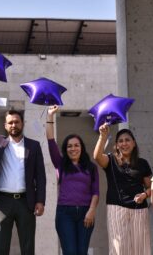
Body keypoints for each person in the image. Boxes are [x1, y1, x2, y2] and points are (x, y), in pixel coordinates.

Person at [0, 97, 46, 255]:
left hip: (26, 202)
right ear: (5, 126)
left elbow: (40, 176)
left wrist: (40, 201)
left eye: (17, 122)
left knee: (28, 248)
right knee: (1, 247)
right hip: (2, 202)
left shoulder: (33, 146)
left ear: (22, 123)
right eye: (10, 123)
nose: (14, 125)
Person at [46, 105, 99, 255]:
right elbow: (50, 141)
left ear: (81, 148)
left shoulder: (91, 167)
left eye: (76, 145)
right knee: (69, 252)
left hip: (86, 213)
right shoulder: (60, 164)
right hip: (65, 214)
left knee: (82, 252)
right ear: (65, 149)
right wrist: (50, 116)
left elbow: (96, 192)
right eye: (69, 146)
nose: (73, 148)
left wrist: (91, 211)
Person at [93, 123, 152, 255]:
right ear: (117, 145)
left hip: (139, 209)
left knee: (141, 249)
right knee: (119, 249)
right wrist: (103, 136)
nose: (124, 143)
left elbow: (150, 187)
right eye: (120, 141)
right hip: (116, 208)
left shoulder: (142, 163)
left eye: (127, 140)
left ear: (134, 143)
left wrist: (145, 194)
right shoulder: (111, 160)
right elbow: (97, 156)